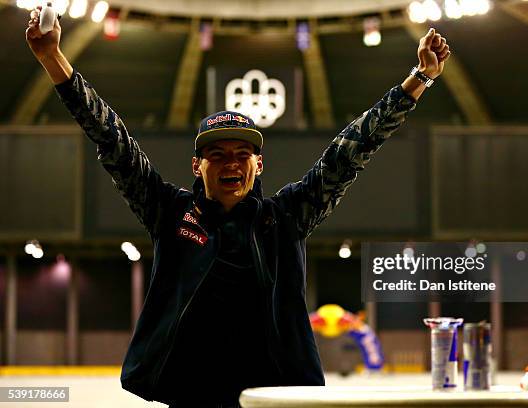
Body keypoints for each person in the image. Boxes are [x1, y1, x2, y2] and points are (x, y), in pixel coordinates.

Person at [26, 5, 450, 407]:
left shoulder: (285, 217)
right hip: (189, 395)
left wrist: (418, 80)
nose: (231, 162)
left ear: (258, 164)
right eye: (217, 154)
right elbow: (112, 139)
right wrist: (53, 59)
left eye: (241, 154)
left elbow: (351, 150)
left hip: (271, 398)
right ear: (197, 164)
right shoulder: (170, 212)